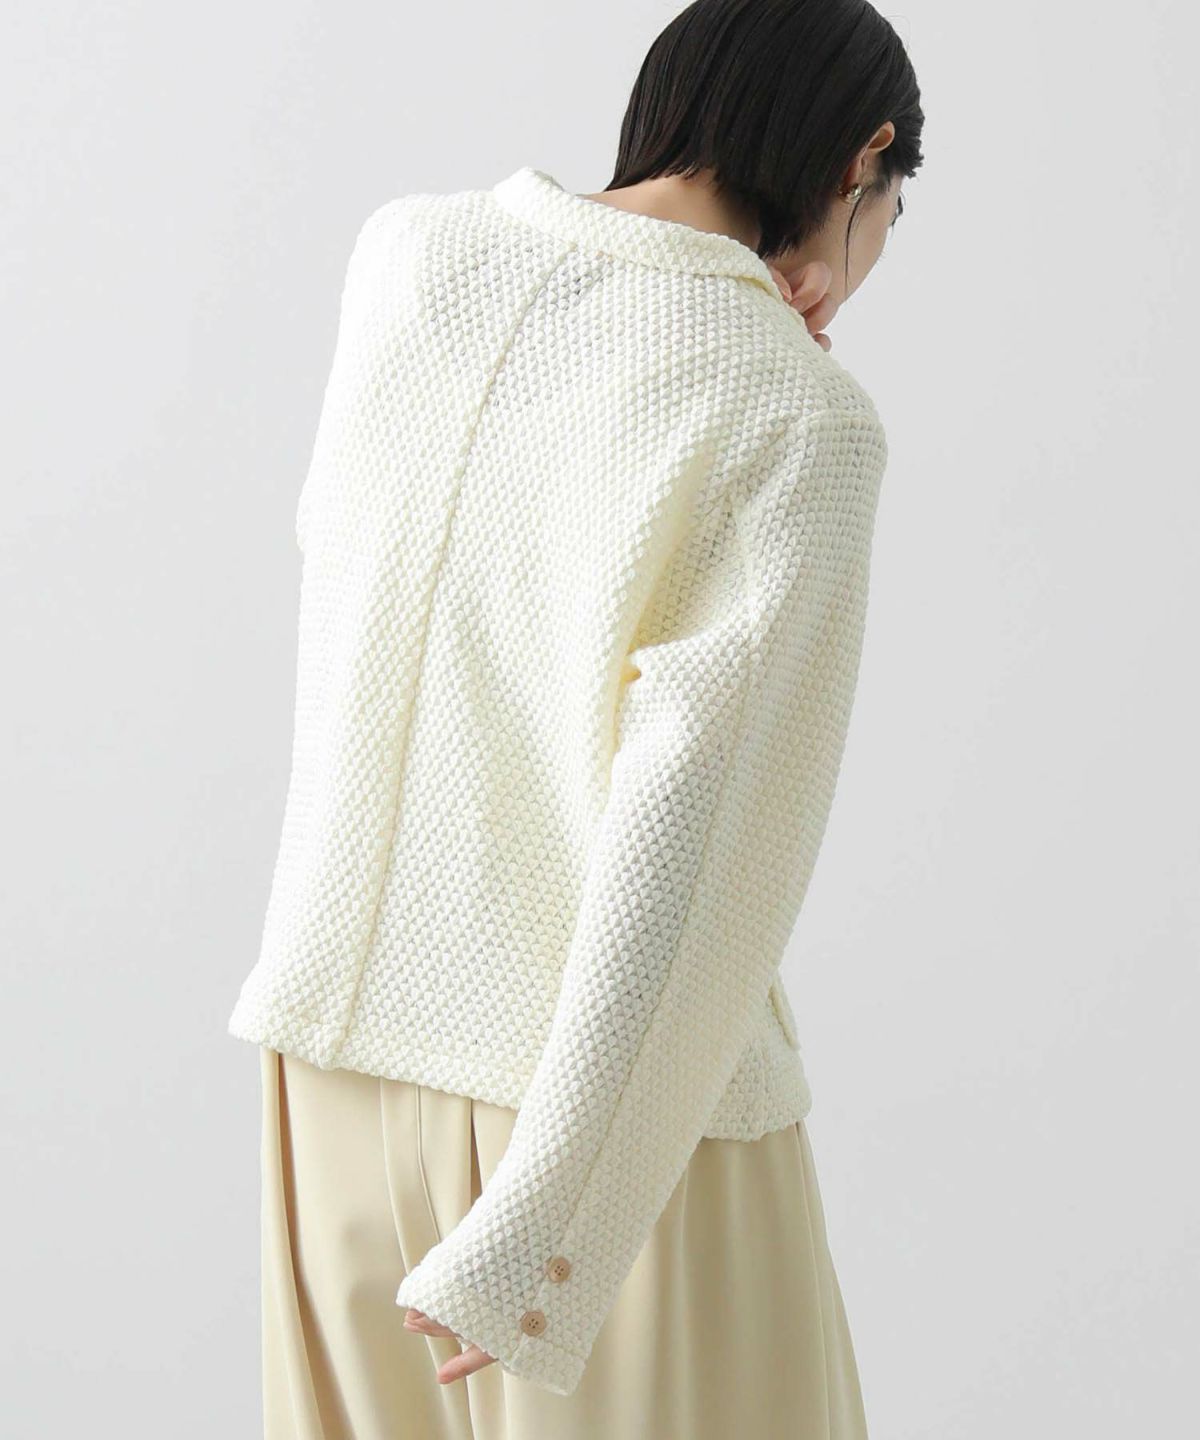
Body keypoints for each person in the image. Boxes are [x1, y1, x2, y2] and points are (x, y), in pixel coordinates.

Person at [226, 0, 925, 1433]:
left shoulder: (409, 258)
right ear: (863, 160)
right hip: (601, 1130)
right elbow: (699, 839)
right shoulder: (799, 417)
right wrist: (547, 1229)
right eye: (890, 218)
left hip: (331, 1074)